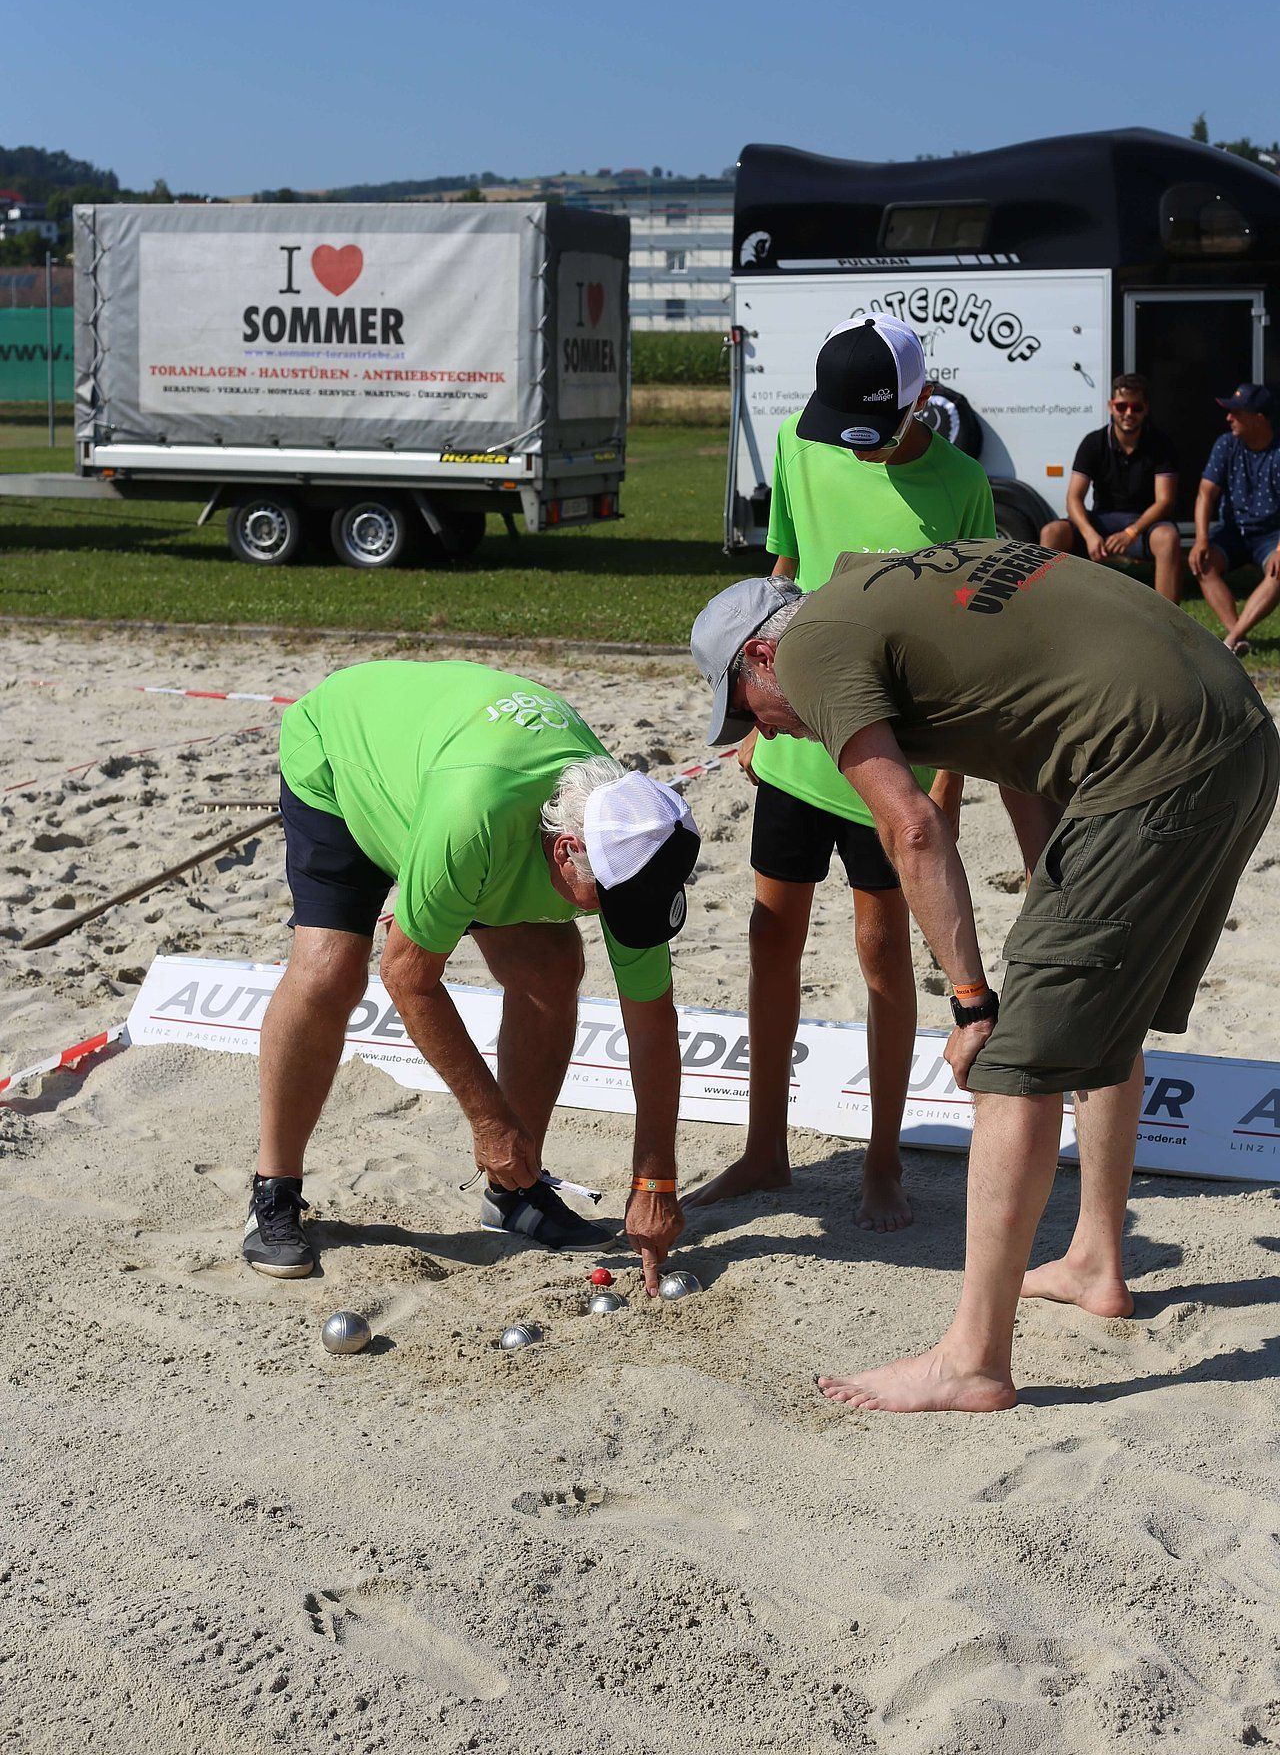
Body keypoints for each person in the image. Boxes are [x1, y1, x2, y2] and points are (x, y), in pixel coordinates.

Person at [691, 544, 1277, 1412]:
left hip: (1154, 759)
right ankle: (1095, 1261)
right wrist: (1060, 904)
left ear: (764, 657)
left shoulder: (811, 648)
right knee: (1091, 1013)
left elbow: (915, 830)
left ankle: (973, 1360)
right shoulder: (881, 588)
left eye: (751, 711)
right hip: (1232, 727)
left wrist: (972, 1004)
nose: (766, 733)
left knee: (1013, 1063)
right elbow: (1022, 739)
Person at [243, 659, 699, 1295]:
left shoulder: (630, 835)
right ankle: (275, 1192)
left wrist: (654, 1183)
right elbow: (406, 977)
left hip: (448, 780)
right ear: (567, 851)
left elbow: (652, 1025)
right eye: (607, 899)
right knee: (331, 972)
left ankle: (515, 1194)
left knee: (551, 965)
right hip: (345, 759)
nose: (617, 920)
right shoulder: (474, 820)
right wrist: (490, 1120)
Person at [689, 315, 994, 1231]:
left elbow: (969, 643)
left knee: (879, 955)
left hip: (891, 758)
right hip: (793, 741)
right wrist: (753, 712)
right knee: (767, 944)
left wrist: (943, 784)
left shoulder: (962, 485)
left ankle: (885, 1159)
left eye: (875, 426)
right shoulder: (797, 438)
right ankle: (763, 1151)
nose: (850, 446)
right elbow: (782, 576)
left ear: (921, 401)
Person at [1039, 373, 1182, 601]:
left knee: (1168, 537)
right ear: (1110, 406)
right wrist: (1090, 535)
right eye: (1122, 406)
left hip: (1143, 524)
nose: (1128, 413)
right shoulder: (1093, 442)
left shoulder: (1161, 444)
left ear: (1146, 409)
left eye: (1136, 407)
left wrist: (1131, 532)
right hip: (1101, 520)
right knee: (1052, 532)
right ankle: (1049, 608)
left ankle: (1169, 627)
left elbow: (1164, 501)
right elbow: (1073, 498)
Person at [1190, 382, 1280, 654]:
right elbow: (1205, 493)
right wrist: (1201, 539)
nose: (1228, 418)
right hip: (1233, 530)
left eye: (1236, 412)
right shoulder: (1226, 444)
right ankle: (1237, 638)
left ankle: (1232, 639)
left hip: (1271, 534)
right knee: (1202, 561)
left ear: (1259, 418)